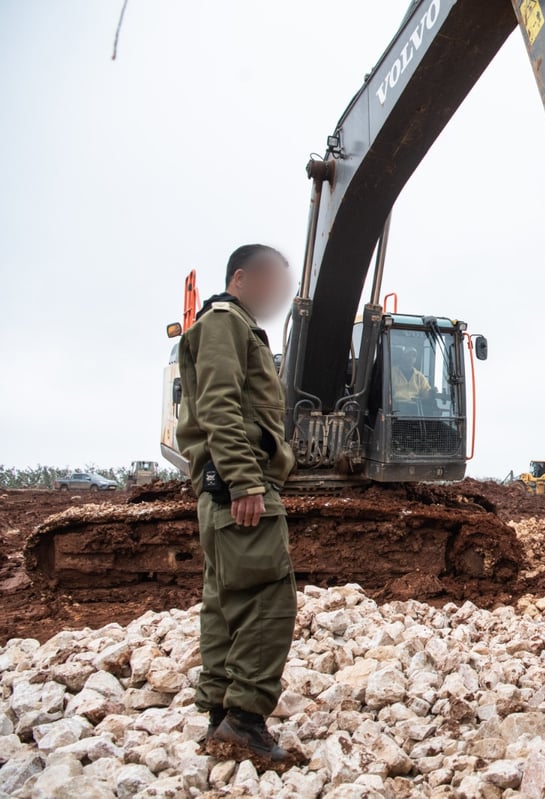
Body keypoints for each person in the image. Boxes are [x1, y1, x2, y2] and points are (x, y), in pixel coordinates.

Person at [175, 244, 297, 764]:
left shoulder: (229, 326)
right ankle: (245, 722)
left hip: (220, 486)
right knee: (270, 600)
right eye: (272, 282)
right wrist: (246, 481)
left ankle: (220, 719)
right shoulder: (226, 323)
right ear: (242, 278)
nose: (279, 295)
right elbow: (220, 405)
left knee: (225, 603)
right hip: (239, 487)